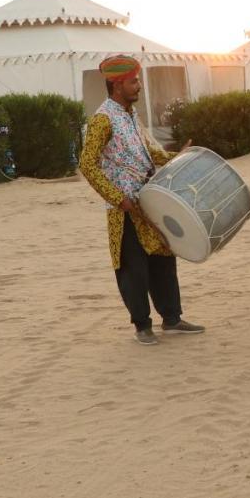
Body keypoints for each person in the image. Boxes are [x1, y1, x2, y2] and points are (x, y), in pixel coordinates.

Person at [78, 54, 205, 345]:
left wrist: (179, 157)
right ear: (117, 84)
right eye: (134, 81)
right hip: (125, 209)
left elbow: (152, 153)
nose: (139, 86)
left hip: (149, 201)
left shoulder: (132, 115)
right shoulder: (102, 119)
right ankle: (142, 327)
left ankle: (172, 319)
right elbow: (87, 163)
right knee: (134, 268)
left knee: (162, 260)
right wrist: (116, 197)